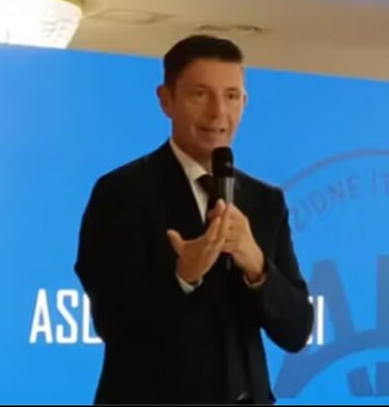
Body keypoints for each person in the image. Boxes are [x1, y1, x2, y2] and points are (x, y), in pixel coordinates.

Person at [74, 35, 314, 404]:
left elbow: (297, 331)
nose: (218, 113)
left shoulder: (265, 201)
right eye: (200, 95)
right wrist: (183, 277)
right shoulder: (122, 192)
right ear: (166, 100)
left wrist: (256, 264)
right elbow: (115, 324)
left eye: (231, 96)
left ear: (245, 102)